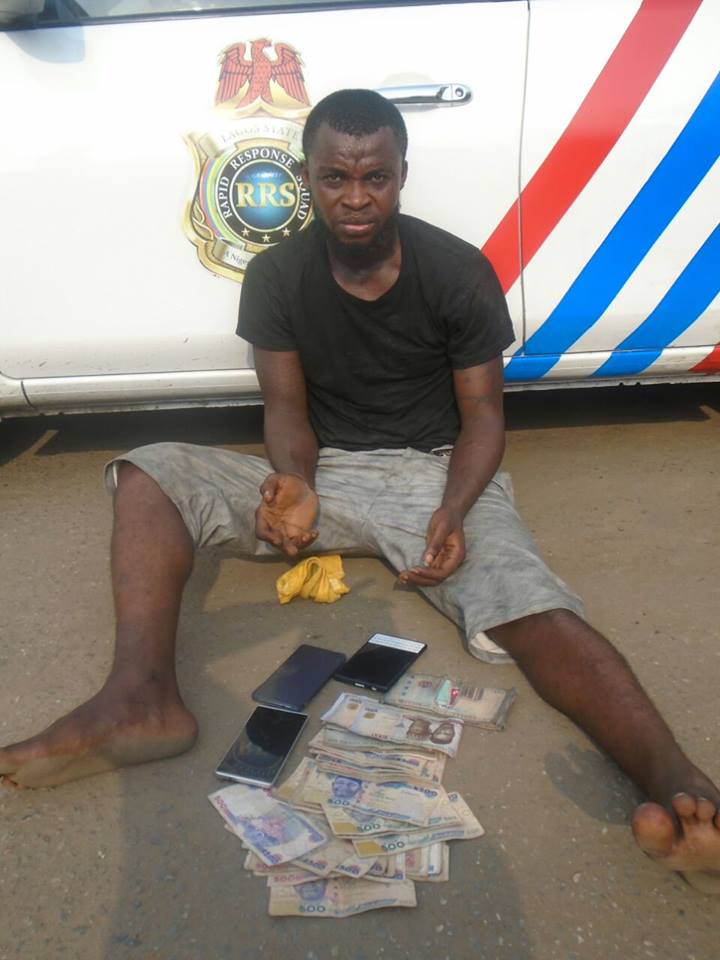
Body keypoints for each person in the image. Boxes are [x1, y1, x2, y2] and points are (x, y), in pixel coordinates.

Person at [1, 89, 719, 893]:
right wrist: (296, 487)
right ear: (307, 179)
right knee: (148, 472)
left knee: (534, 608)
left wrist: (453, 508)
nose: (355, 198)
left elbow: (484, 416)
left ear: (402, 176)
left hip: (435, 472)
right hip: (328, 470)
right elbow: (285, 408)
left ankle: (682, 786)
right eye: (335, 177)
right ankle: (141, 701)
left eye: (375, 177)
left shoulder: (457, 269)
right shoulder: (277, 274)